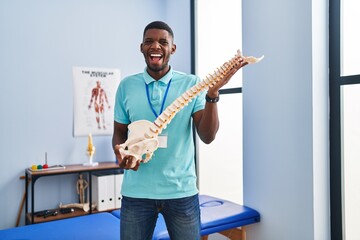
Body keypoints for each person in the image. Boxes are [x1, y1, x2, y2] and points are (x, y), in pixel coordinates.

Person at [112, 21, 247, 240]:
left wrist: (211, 94)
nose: (155, 46)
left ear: (172, 49)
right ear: (141, 47)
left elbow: (207, 136)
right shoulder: (126, 86)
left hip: (181, 192)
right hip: (136, 193)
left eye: (163, 42)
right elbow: (119, 132)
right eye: (149, 41)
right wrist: (120, 152)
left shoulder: (192, 84)